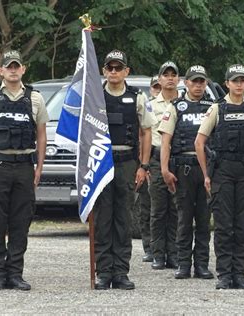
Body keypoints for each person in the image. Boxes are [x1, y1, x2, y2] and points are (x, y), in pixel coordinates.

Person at [0, 50, 48, 291]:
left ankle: (15, 273)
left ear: (23, 69)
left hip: (24, 166)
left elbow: (42, 136)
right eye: (8, 67)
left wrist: (39, 167)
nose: (13, 70)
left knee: (21, 222)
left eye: (17, 66)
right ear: (1, 70)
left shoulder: (35, 98)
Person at [195, 64, 244, 289]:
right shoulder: (217, 109)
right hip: (223, 173)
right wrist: (207, 174)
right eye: (234, 80)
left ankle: (240, 274)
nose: (239, 84)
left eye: (242, 80)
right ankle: (225, 274)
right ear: (226, 83)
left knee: (242, 224)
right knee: (224, 225)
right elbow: (199, 141)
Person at [94, 49, 156, 290]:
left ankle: (120, 272)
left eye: (118, 67)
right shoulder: (95, 98)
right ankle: (103, 272)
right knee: (102, 219)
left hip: (127, 162)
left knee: (123, 219)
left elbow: (147, 131)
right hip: (102, 163)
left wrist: (144, 165)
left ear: (126, 71)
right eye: (109, 67)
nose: (113, 72)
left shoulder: (137, 97)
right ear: (103, 71)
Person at [159, 65, 214, 279]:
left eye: (202, 81)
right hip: (183, 168)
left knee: (203, 218)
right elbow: (165, 141)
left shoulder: (213, 107)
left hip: (206, 169)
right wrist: (164, 169)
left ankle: (202, 264)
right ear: (187, 83)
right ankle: (183, 263)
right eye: (194, 81)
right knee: (183, 218)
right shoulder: (176, 107)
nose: (198, 85)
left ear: (206, 83)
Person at [149, 61, 179, 270]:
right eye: (165, 74)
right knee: (159, 209)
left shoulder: (184, 103)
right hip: (157, 158)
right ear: (159, 80)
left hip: (179, 159)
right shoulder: (150, 105)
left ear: (179, 80)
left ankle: (175, 253)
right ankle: (158, 253)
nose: (169, 78)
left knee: (178, 209)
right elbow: (143, 135)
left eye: (173, 74)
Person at [138, 75, 161, 263]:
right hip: (149, 158)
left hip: (167, 158)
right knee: (146, 207)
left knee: (167, 209)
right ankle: (149, 246)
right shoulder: (147, 105)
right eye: (156, 87)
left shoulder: (175, 105)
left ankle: (167, 248)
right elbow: (141, 135)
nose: (159, 89)